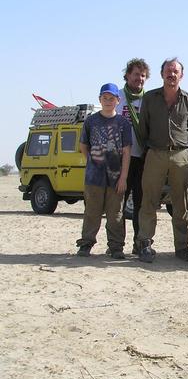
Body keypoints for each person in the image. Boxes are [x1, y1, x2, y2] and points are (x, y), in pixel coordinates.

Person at [136, 58, 188, 263]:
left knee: (181, 203)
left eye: (176, 71)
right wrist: (152, 148)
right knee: (149, 201)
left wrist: (181, 148)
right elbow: (142, 128)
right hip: (155, 153)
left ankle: (181, 247)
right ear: (162, 74)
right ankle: (145, 244)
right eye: (168, 71)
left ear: (182, 75)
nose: (172, 74)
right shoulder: (150, 98)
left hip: (181, 155)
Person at [76, 83, 132, 259]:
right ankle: (86, 243)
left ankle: (116, 247)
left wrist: (123, 177)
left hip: (116, 178)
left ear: (118, 100)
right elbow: (83, 146)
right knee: (92, 212)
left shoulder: (123, 123)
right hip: (94, 178)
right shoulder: (91, 121)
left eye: (111, 98)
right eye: (104, 98)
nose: (108, 101)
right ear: (99, 99)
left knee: (115, 214)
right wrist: (94, 162)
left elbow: (127, 152)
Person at [116, 58, 150, 254]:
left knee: (140, 204)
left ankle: (139, 244)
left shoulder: (150, 99)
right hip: (120, 160)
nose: (139, 78)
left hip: (142, 158)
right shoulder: (117, 97)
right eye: (136, 74)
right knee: (118, 205)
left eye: (143, 75)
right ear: (127, 75)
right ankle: (116, 244)